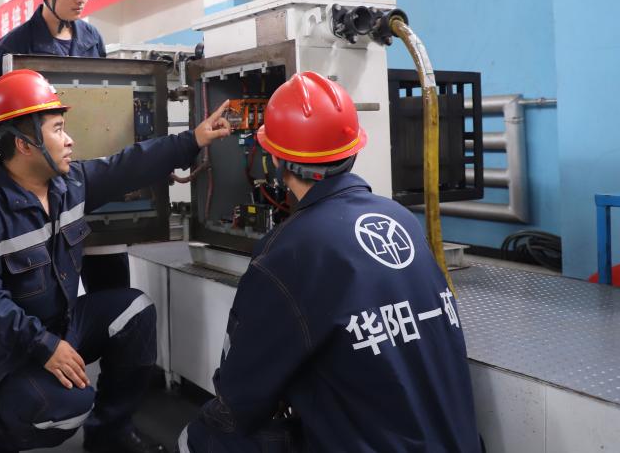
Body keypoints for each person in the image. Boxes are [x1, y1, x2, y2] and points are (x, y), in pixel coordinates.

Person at [177, 72, 481, 453]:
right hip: (458, 444)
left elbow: (238, 400)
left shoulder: (287, 251)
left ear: (276, 159)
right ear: (353, 152)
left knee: (198, 438)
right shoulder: (400, 219)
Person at [0, 70, 232, 453]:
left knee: (135, 311)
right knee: (69, 405)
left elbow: (128, 165)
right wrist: (44, 346)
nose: (70, 140)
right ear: (24, 144)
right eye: (58, 130)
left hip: (63, 323)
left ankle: (108, 433)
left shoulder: (71, 184)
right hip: (5, 348)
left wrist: (192, 140)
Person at [0, 0, 127, 296]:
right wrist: (24, 163)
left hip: (89, 176)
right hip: (41, 187)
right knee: (48, 286)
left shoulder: (92, 39)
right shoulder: (12, 48)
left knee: (111, 283)